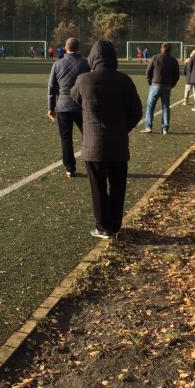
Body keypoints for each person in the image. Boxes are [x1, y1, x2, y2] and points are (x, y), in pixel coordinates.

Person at [71, 40, 142, 240]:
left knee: (98, 187)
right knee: (118, 186)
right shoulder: (125, 80)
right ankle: (115, 225)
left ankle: (102, 226)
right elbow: (136, 111)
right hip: (118, 144)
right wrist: (123, 128)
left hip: (93, 145)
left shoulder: (83, 79)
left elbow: (74, 97)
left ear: (93, 58)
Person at [47, 38, 90, 177]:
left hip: (63, 106)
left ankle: (70, 168)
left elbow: (52, 88)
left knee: (66, 139)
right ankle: (92, 165)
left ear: (65, 49)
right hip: (81, 106)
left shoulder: (57, 64)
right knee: (89, 136)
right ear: (79, 49)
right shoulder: (86, 63)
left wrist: (51, 108)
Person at [141, 43, 180, 134]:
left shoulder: (156, 57)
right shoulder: (174, 60)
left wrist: (150, 83)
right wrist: (172, 85)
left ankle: (148, 126)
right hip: (167, 87)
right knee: (166, 107)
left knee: (150, 106)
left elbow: (148, 71)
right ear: (170, 50)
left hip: (155, 85)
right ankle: (165, 128)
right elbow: (177, 75)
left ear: (162, 48)